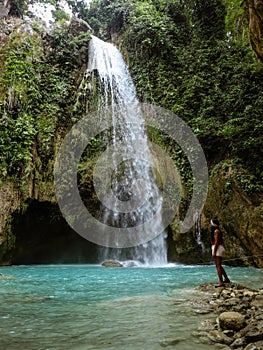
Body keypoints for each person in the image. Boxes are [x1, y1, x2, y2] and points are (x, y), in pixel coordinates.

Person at [211, 218, 231, 287]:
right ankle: (226, 279)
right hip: (219, 248)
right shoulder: (217, 230)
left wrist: (214, 251)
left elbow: (216, 242)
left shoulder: (216, 231)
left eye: (211, 223)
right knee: (218, 265)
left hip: (218, 248)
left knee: (218, 266)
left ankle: (221, 282)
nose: (210, 224)